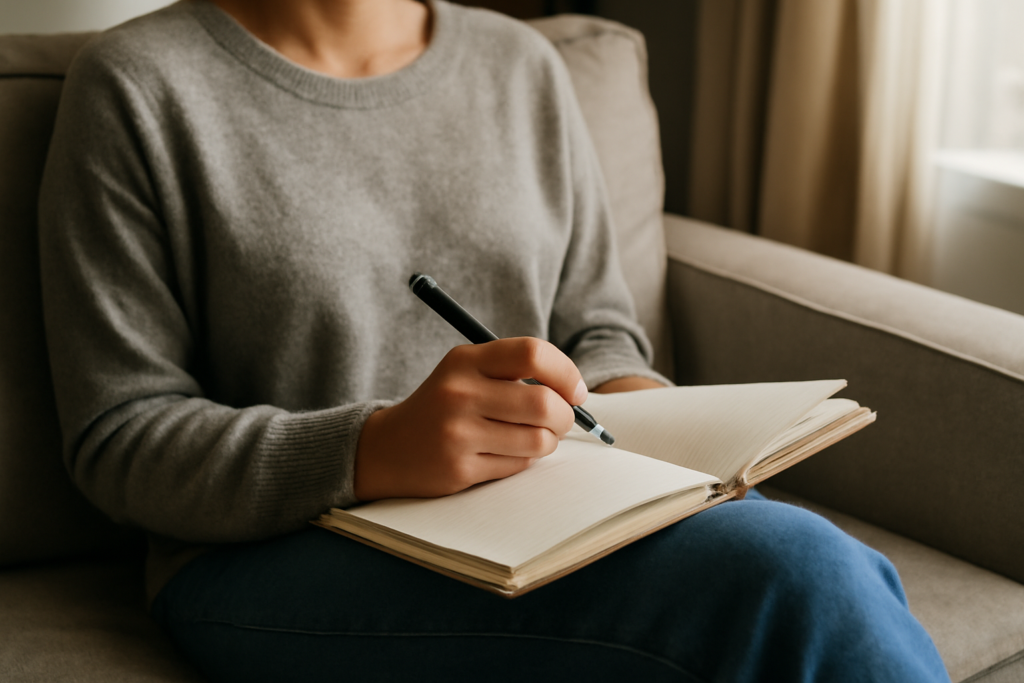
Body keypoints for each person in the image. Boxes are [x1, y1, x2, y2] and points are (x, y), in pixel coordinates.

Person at [38, 0, 951, 680]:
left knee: (820, 568)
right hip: (272, 556)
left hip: (547, 516)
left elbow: (598, 327)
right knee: (799, 577)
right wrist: (371, 447)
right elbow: (119, 435)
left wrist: (650, 424)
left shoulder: (520, 65)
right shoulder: (139, 86)